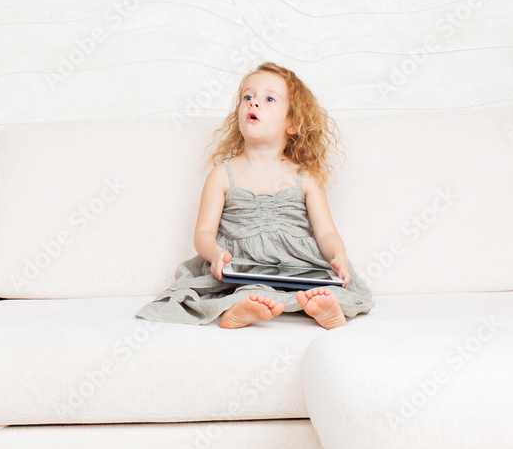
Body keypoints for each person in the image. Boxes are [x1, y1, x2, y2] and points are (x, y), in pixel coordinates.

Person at [137, 62, 374, 329]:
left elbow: (326, 233)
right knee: (243, 288)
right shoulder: (223, 174)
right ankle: (243, 308)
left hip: (297, 266)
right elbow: (203, 233)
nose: (254, 103)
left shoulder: (305, 177)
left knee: (326, 285)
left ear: (293, 123)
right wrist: (215, 254)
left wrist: (338, 257)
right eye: (247, 97)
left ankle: (325, 308)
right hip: (242, 266)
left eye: (269, 98)